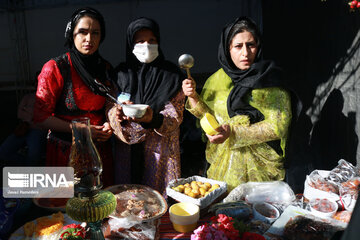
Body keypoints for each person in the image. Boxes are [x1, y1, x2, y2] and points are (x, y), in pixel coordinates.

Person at [182, 16, 301, 191]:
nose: (245, 53)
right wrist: (192, 97)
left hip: (261, 170)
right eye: (238, 46)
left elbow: (278, 126)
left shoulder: (270, 80)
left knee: (260, 215)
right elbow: (208, 116)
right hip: (223, 165)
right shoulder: (216, 81)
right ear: (227, 49)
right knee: (225, 214)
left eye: (251, 45)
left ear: (258, 47)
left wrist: (233, 132)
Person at [33, 7, 114, 186]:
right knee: (67, 209)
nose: (89, 39)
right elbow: (40, 118)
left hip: (100, 152)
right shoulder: (55, 68)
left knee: (101, 207)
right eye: (82, 32)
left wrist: (110, 124)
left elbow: (110, 106)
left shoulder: (105, 69)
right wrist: (83, 130)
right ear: (71, 34)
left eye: (95, 33)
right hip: (66, 154)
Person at [107, 17, 185, 196]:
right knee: (129, 204)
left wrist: (154, 119)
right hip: (127, 151)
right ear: (130, 44)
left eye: (152, 41)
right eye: (140, 41)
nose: (146, 46)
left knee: (159, 203)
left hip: (161, 153)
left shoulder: (172, 75)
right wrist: (117, 114)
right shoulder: (120, 74)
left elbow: (177, 114)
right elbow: (109, 106)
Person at [0, 84, 47, 166]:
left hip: (38, 130)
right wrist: (32, 117)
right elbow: (20, 114)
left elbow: (45, 116)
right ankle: (27, 166)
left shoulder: (48, 98)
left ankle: (30, 167)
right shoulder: (28, 97)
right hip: (24, 127)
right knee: (3, 151)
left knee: (34, 154)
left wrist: (28, 112)